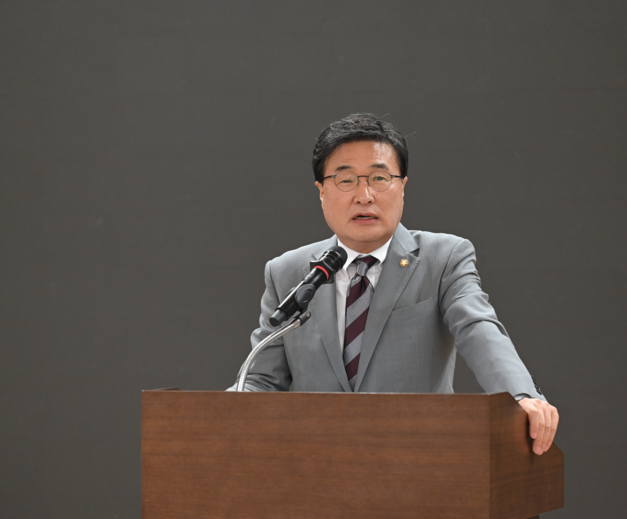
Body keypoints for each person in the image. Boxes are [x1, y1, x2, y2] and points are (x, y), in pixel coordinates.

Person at [229, 113, 559, 455]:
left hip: (416, 460)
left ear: (402, 187)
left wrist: (521, 395)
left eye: (379, 178)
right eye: (345, 180)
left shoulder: (443, 259)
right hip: (315, 464)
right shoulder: (288, 272)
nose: (364, 195)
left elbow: (478, 328)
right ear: (321, 191)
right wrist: (217, 414)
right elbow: (261, 380)